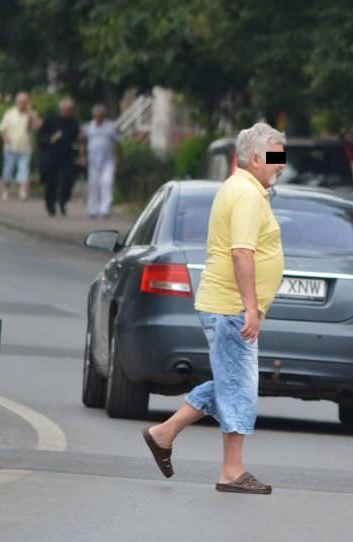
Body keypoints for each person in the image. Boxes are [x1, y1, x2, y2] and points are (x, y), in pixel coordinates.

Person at [142, 122, 286, 495]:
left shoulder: (247, 188)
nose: (281, 165)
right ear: (255, 158)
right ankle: (231, 472)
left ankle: (164, 433)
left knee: (229, 381)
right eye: (275, 157)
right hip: (231, 307)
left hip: (228, 306)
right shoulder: (246, 194)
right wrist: (251, 308)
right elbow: (241, 252)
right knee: (238, 386)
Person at [38, 98, 80, 217]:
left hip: (67, 157)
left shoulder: (74, 123)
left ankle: (63, 201)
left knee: (68, 180)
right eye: (66, 110)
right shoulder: (51, 121)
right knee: (51, 182)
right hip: (52, 156)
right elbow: (41, 138)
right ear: (61, 109)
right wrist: (50, 139)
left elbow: (77, 139)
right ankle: (50, 205)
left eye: (70, 110)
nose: (68, 112)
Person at [0, 92, 41, 201]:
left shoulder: (31, 114)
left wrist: (30, 112)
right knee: (8, 171)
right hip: (10, 148)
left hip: (25, 149)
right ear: (16, 102)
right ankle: (6, 191)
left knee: (24, 171)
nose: (22, 104)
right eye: (20, 101)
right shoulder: (10, 113)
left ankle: (23, 192)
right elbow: (2, 128)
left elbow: (37, 126)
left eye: (25, 102)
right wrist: (5, 138)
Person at [80, 104, 121, 218]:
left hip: (108, 161)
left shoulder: (110, 127)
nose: (98, 118)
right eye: (96, 116)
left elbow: (118, 144)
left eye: (100, 116)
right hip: (93, 161)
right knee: (93, 185)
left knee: (107, 183)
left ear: (103, 116)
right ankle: (92, 210)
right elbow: (82, 143)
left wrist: (119, 158)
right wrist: (82, 157)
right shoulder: (88, 127)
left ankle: (105, 209)